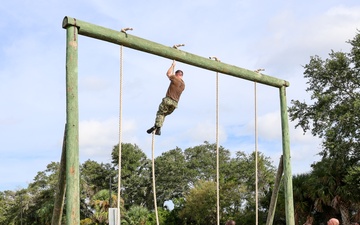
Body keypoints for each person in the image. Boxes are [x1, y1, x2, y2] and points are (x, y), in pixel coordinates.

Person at [147, 60, 185, 135]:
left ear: (177, 74)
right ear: (182, 75)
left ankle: (157, 126)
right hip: (175, 104)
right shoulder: (183, 85)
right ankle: (157, 127)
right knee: (163, 114)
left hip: (168, 100)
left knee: (160, 113)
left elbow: (168, 73)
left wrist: (172, 65)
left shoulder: (175, 78)